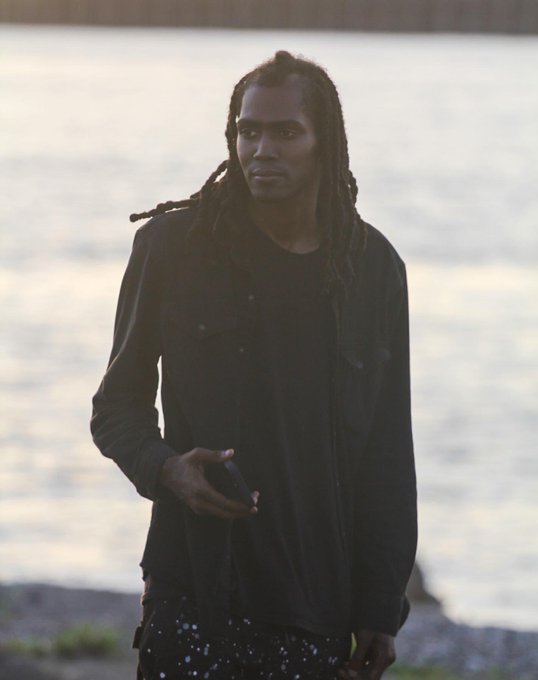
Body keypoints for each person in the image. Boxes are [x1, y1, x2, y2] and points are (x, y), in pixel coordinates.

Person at [91, 50, 417, 680]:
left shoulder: (373, 270)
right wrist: (167, 469)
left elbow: (387, 453)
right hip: (193, 592)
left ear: (325, 143)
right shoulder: (173, 247)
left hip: (317, 605)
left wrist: (381, 606)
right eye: (249, 131)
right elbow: (116, 408)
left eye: (286, 132)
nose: (262, 149)